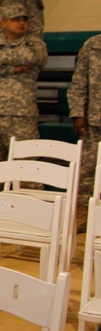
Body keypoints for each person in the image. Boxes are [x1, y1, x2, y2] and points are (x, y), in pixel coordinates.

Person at [0, 3, 48, 162]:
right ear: (3, 23)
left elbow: (30, 57)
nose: (21, 23)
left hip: (20, 113)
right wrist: (11, 69)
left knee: (24, 166)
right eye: (15, 19)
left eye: (24, 19)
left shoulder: (35, 44)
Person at [69, 33, 100, 227]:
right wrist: (78, 113)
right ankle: (84, 216)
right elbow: (79, 82)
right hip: (95, 120)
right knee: (87, 170)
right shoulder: (93, 45)